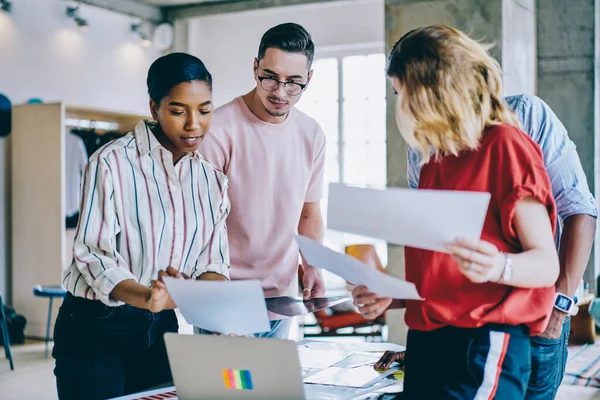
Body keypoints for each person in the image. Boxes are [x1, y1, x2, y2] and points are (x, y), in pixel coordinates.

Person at [353, 25, 560, 399]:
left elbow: (547, 264)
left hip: (483, 344)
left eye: (406, 94)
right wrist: (393, 296)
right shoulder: (434, 160)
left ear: (438, 89)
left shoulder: (505, 145)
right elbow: (442, 278)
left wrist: (500, 266)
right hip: (427, 342)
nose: (402, 108)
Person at [372, 94, 597, 400]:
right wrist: (419, 337)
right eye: (399, 92)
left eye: (412, 89)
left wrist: (558, 310)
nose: (404, 106)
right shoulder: (421, 151)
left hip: (530, 319)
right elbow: (436, 256)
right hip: (455, 331)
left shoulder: (517, 125)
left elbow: (579, 210)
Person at [52, 53, 230, 400]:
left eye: (205, 110)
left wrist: (197, 297)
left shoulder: (212, 180)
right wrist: (147, 296)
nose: (194, 124)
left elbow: (214, 262)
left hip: (163, 327)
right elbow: (93, 255)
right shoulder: (111, 163)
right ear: (154, 108)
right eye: (178, 111)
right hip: (95, 327)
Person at [199, 22, 326, 339]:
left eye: (294, 83)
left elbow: (308, 212)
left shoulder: (311, 135)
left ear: (309, 79)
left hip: (280, 298)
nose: (280, 93)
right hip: (224, 298)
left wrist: (312, 265)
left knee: (264, 389)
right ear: (255, 67)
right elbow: (199, 223)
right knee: (222, 389)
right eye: (270, 78)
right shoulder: (219, 129)